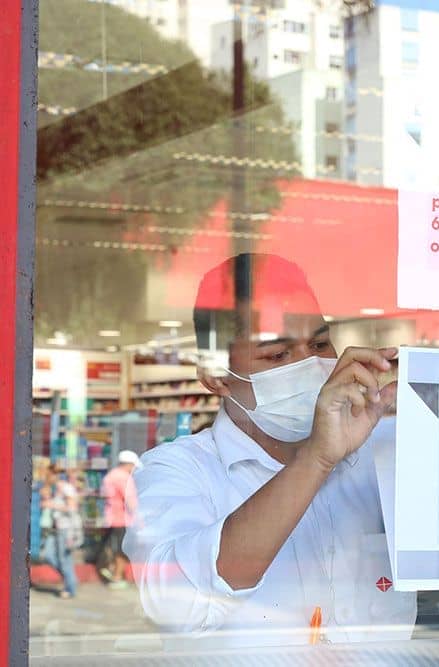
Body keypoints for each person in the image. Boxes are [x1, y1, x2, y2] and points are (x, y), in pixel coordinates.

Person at [124, 254, 414, 649]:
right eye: (278, 355)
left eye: (319, 343)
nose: (311, 364)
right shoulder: (174, 471)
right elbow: (180, 607)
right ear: (216, 375)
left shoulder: (385, 449)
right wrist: (316, 458)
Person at [39, 465, 83, 599]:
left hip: (66, 529)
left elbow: (72, 508)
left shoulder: (66, 488)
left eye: (50, 474)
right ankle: (71, 580)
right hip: (56, 528)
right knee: (48, 554)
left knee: (64, 559)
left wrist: (51, 505)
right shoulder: (56, 489)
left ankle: (70, 588)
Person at [98, 450, 141, 587]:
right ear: (128, 464)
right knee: (122, 550)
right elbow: (130, 500)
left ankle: (109, 568)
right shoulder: (123, 477)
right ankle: (117, 577)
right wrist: (139, 519)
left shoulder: (111, 475)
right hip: (121, 519)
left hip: (110, 517)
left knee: (111, 546)